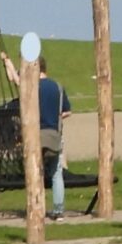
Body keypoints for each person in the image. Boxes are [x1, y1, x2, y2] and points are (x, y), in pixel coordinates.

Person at [35, 58, 71, 218]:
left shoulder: (33, 87)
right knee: (56, 173)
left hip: (36, 135)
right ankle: (58, 210)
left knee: (37, 172)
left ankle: (37, 207)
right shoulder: (58, 87)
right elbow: (67, 111)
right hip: (54, 135)